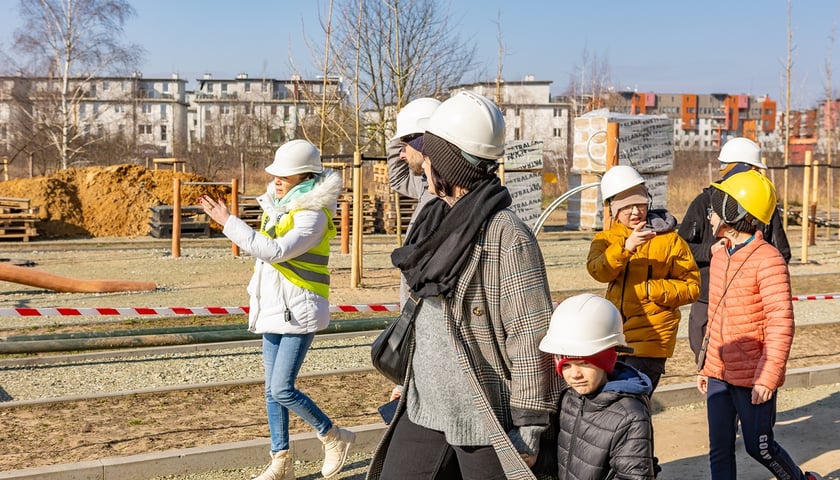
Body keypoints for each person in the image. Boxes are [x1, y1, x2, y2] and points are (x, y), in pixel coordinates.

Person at [367, 91, 561, 480]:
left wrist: (529, 427)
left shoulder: (507, 235)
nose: (423, 166)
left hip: (484, 415)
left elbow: (530, 332)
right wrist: (412, 378)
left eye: (431, 155)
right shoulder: (436, 219)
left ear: (449, 165)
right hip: (424, 406)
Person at [199, 139, 355, 480]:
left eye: (285, 175)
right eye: (277, 174)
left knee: (282, 388)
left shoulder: (311, 215)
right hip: (274, 308)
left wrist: (229, 221)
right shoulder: (281, 209)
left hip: (299, 311)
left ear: (305, 177)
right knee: (271, 391)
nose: (277, 179)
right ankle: (280, 463)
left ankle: (333, 435)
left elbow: (272, 251)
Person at [696, 170, 823, 480]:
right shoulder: (720, 254)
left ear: (733, 211)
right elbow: (715, 316)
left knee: (759, 448)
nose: (710, 214)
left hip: (753, 377)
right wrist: (705, 366)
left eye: (717, 206)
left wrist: (767, 377)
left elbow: (781, 323)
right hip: (719, 374)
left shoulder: (769, 260)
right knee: (719, 448)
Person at [586, 165, 700, 392]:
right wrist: (625, 248)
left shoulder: (670, 241)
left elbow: (692, 287)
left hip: (651, 340)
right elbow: (598, 271)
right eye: (626, 207)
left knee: (632, 402)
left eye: (640, 203)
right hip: (613, 337)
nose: (635, 211)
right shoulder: (606, 240)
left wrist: (651, 290)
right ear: (613, 210)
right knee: (617, 407)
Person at [678, 137, 791, 361]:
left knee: (746, 364)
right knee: (707, 359)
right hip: (707, 298)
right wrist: (709, 252)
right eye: (752, 169)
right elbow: (680, 249)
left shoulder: (762, 205)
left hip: (748, 305)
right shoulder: (704, 202)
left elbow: (781, 253)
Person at [539, 293, 655, 479]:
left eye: (585, 363)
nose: (575, 374)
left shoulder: (630, 416)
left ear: (606, 362)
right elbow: (563, 459)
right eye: (566, 365)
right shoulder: (569, 398)